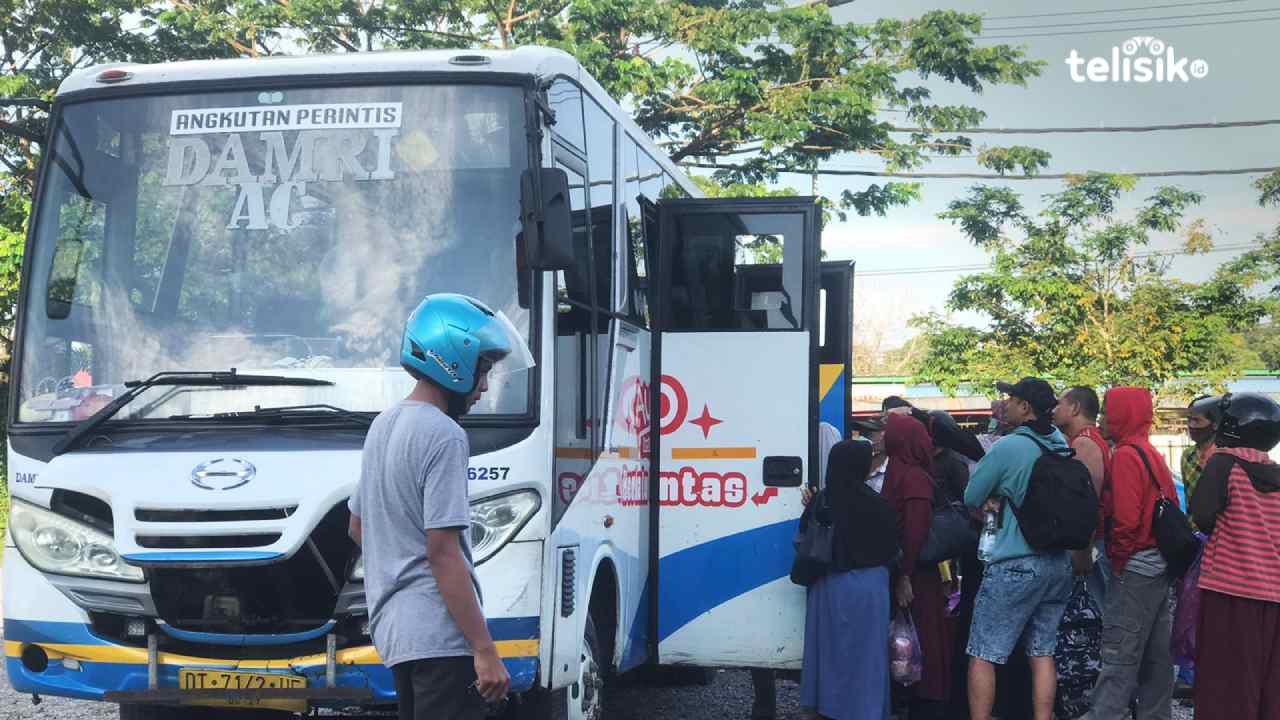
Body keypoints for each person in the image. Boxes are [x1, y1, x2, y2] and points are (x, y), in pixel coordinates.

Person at [348, 293, 528, 720]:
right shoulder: (444, 434)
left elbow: (358, 526)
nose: (484, 386)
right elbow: (443, 552)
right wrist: (484, 649)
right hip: (441, 639)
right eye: (483, 370)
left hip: (399, 636)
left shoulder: (383, 425)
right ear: (454, 361)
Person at [963, 378, 1073, 720]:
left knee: (983, 653)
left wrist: (997, 496)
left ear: (1025, 407)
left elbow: (971, 497)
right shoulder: (1060, 442)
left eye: (1010, 398)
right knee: (1042, 653)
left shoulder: (1009, 447)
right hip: (1058, 562)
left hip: (1015, 562)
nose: (1005, 403)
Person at [1190, 393, 1280, 720]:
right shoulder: (1277, 474)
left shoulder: (1224, 463)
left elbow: (1202, 516)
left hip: (1230, 591)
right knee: (1267, 681)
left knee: (1225, 681)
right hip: (1273, 593)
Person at [1088, 387, 1176, 720]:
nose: (1103, 419)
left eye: (1109, 411)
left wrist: (1120, 562)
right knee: (1156, 653)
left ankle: (1104, 714)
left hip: (1136, 565)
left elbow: (1126, 519)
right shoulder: (1149, 451)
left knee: (1121, 649)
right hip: (1158, 563)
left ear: (1123, 415)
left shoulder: (1125, 455)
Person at [800, 440, 899, 720]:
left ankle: (828, 708)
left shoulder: (823, 500)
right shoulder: (879, 504)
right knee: (867, 656)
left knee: (830, 654)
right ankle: (864, 709)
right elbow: (892, 548)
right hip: (870, 588)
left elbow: (805, 537)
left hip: (829, 586)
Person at [883, 414, 952, 719]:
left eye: (888, 432)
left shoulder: (910, 477)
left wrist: (904, 575)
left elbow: (914, 530)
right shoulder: (906, 471)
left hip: (915, 576)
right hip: (907, 572)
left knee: (918, 641)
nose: (882, 437)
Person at [1053, 386, 1112, 599]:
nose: (1054, 409)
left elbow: (1087, 502)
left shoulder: (1084, 442)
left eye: (1059, 404)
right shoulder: (1084, 439)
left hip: (1093, 543)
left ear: (1075, 408)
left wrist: (1082, 549)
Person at [1182, 395, 1221, 520]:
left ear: (1215, 424)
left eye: (1197, 420)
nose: (1191, 425)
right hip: (1193, 531)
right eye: (1189, 420)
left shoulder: (1226, 457)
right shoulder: (1187, 456)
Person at [853, 417, 889, 493]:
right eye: (862, 433)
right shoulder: (857, 462)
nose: (862, 437)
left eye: (870, 433)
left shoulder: (892, 470)